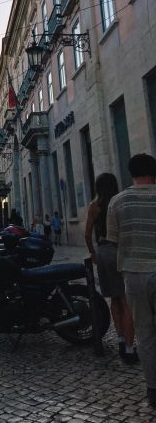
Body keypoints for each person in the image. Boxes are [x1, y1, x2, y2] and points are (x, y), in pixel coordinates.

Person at [107, 153, 156, 408]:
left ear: (131, 173)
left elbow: (113, 240)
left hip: (134, 275)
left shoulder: (117, 201)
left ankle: (153, 389)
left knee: (145, 334)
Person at [85, 173, 136, 365]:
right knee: (126, 300)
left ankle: (121, 339)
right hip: (119, 250)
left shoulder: (94, 206)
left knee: (114, 298)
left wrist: (93, 254)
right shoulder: (119, 202)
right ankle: (130, 349)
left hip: (103, 252)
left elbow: (87, 234)